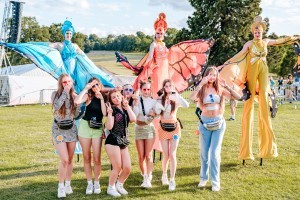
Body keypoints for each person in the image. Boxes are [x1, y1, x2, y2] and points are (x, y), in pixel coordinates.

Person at [219, 16, 299, 161]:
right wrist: (225, 64)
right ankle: (246, 151)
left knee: (263, 99)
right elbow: (239, 55)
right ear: (253, 33)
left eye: (259, 32)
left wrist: (293, 38)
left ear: (263, 32)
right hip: (251, 72)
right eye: (255, 32)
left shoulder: (267, 41)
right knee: (249, 103)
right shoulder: (249, 44)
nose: (257, 34)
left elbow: (279, 41)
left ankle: (267, 148)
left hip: (263, 70)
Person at [190, 66, 241, 192]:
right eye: (210, 74)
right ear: (206, 75)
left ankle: (215, 182)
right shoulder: (202, 89)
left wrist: (227, 86)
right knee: (204, 154)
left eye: (214, 74)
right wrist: (201, 83)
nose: (212, 77)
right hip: (204, 124)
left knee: (214, 154)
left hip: (218, 123)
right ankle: (203, 178)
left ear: (217, 76)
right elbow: (192, 98)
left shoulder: (220, 88)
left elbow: (237, 97)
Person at [74, 78, 107, 195]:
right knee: (87, 157)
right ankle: (89, 183)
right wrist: (86, 88)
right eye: (93, 85)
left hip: (97, 129)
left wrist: (101, 98)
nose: (95, 87)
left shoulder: (104, 96)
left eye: (97, 84)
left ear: (100, 85)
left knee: (97, 158)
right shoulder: (88, 96)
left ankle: (97, 182)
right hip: (85, 127)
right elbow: (77, 101)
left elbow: (104, 114)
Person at [157, 79, 189, 191]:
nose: (168, 87)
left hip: (175, 129)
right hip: (163, 129)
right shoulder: (160, 98)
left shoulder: (176, 98)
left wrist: (177, 96)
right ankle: (164, 174)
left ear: (173, 87)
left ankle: (172, 179)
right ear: (164, 88)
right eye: (166, 86)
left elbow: (187, 105)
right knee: (165, 154)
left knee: (172, 154)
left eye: (171, 85)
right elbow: (156, 112)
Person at [52, 74, 80, 198]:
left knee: (70, 159)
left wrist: (78, 103)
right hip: (58, 130)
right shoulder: (55, 94)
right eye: (64, 82)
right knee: (64, 159)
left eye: (69, 82)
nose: (67, 84)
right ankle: (61, 186)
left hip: (71, 129)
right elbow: (57, 106)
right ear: (60, 83)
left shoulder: (75, 96)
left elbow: (77, 114)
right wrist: (65, 92)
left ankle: (68, 183)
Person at [105, 90, 136, 197]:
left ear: (122, 97)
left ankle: (120, 184)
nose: (116, 98)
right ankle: (111, 187)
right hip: (112, 140)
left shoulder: (125, 108)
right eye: (113, 97)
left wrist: (127, 107)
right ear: (111, 100)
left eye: (118, 96)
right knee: (117, 167)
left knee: (127, 168)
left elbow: (133, 119)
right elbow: (109, 127)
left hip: (123, 140)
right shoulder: (112, 109)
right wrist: (109, 114)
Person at [132, 80, 162, 188]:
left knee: (148, 155)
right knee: (141, 156)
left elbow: (158, 115)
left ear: (151, 90)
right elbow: (135, 115)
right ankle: (144, 175)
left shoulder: (154, 102)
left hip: (149, 129)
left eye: (148, 89)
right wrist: (135, 103)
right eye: (144, 89)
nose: (146, 91)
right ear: (141, 90)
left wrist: (154, 114)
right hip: (138, 128)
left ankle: (148, 176)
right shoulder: (137, 100)